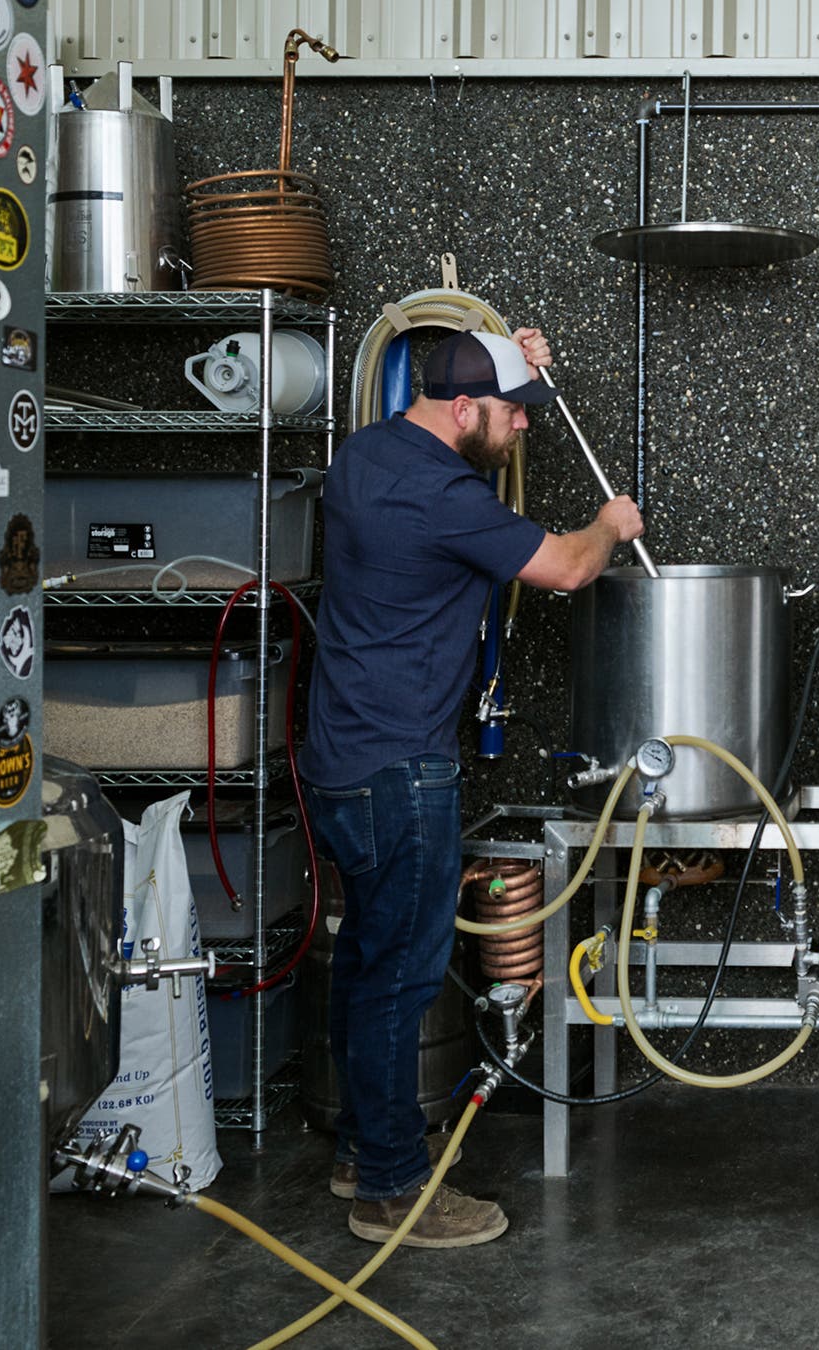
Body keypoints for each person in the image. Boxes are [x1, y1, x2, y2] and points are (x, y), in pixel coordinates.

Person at [301, 327, 644, 1247]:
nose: (524, 427)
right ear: (462, 409)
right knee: (401, 980)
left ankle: (359, 1152)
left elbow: (473, 433)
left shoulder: (367, 455)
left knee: (367, 965)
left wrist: (519, 360)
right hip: (401, 771)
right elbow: (568, 570)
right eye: (512, 414)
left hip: (339, 761)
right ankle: (393, 1189)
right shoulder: (441, 495)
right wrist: (611, 526)